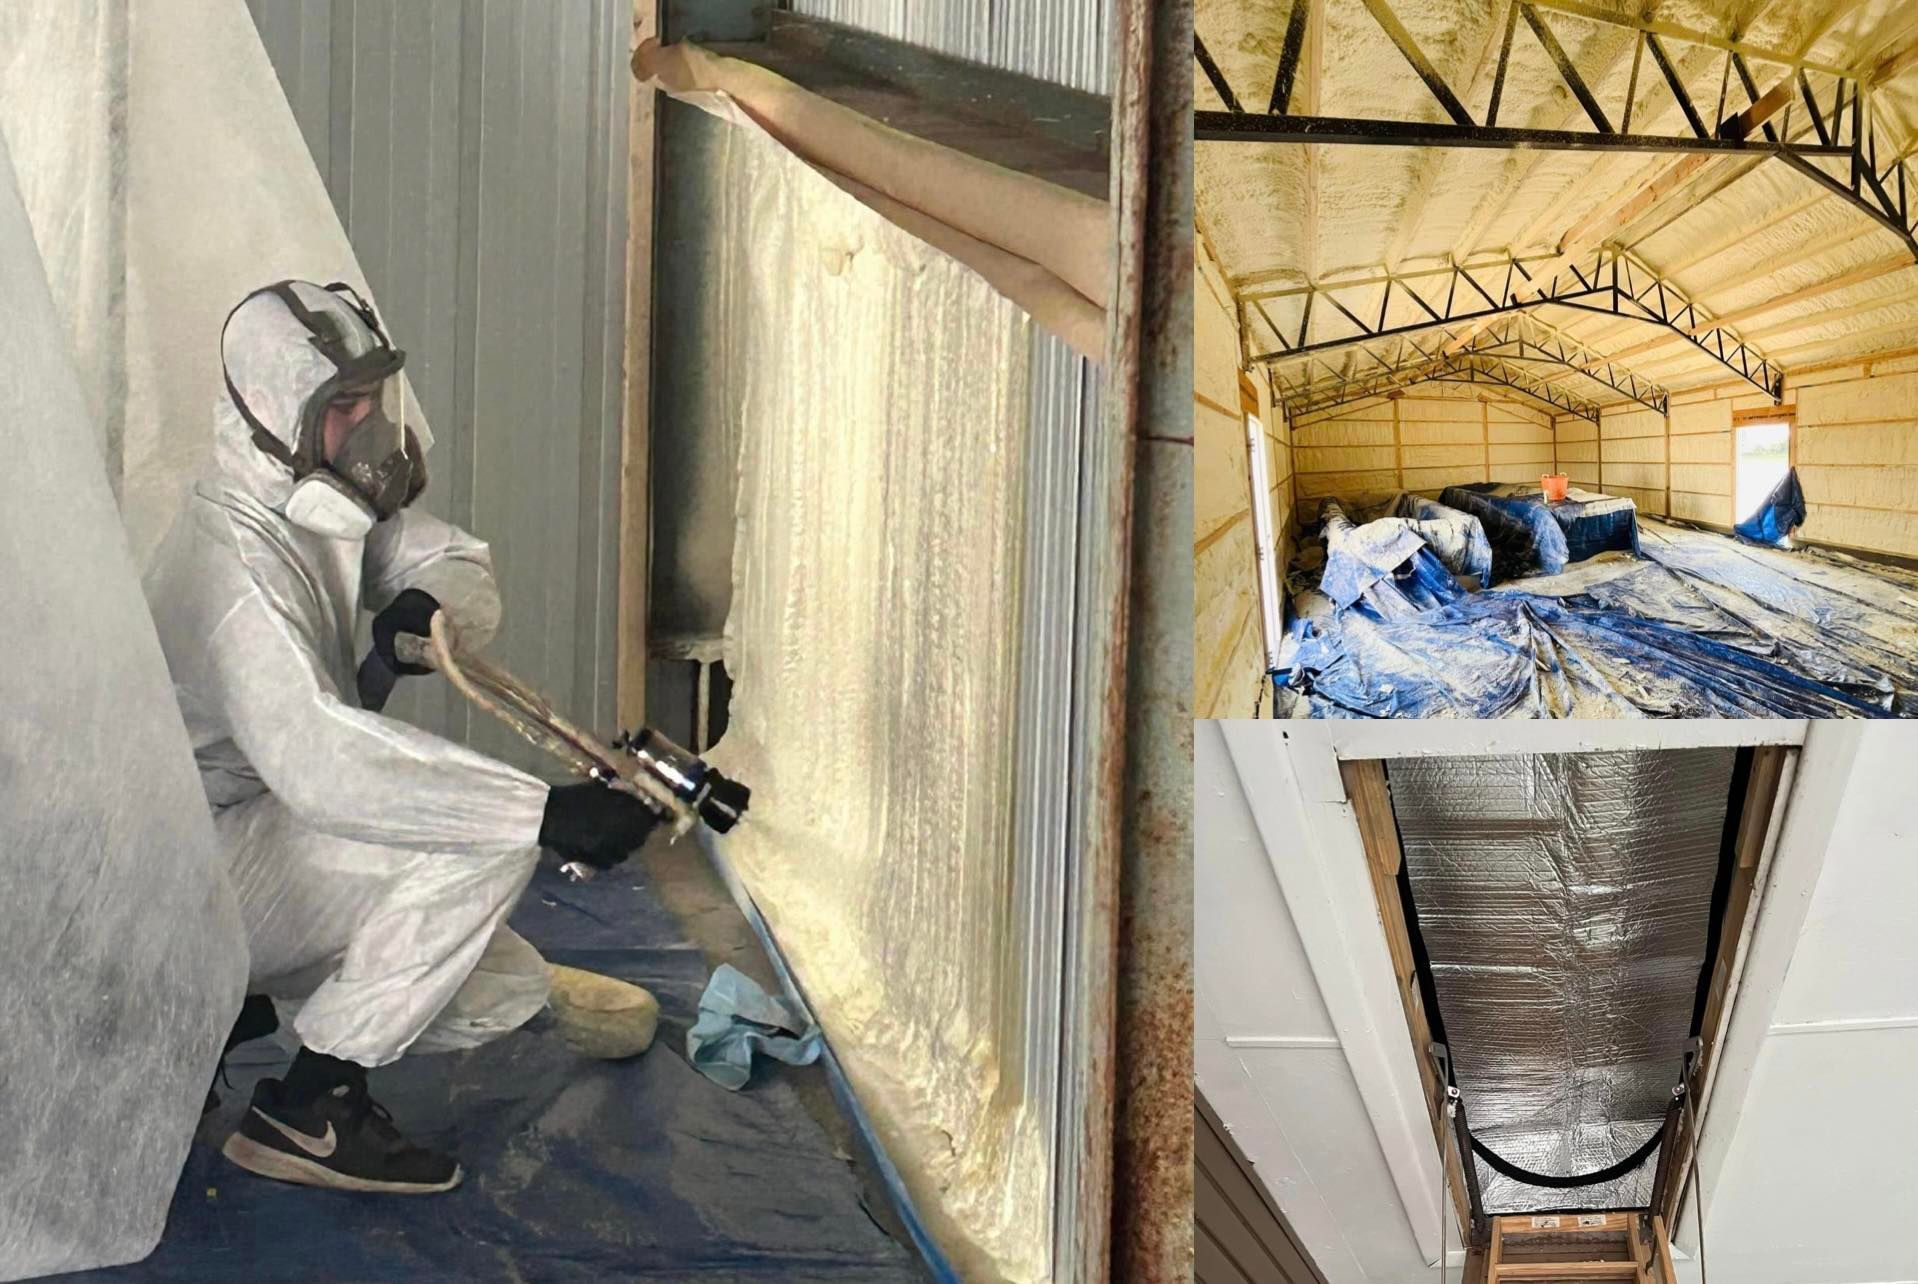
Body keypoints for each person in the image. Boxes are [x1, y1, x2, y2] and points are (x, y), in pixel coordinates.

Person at [144, 280, 657, 1195]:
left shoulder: (309, 505)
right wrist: (543, 813)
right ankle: (311, 1108)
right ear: (275, 413)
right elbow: (326, 766)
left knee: (499, 990)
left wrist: (429, 603)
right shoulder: (230, 568)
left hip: (253, 853)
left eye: (374, 398)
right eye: (343, 407)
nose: (371, 426)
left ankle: (226, 1009)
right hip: (187, 879)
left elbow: (453, 560)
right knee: (478, 845)